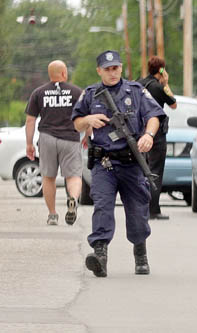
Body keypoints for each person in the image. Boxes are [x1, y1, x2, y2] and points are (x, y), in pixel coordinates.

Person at [72, 50, 166, 277]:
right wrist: (88, 120)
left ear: (121, 68)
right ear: (99, 71)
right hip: (104, 163)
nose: (112, 73)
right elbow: (76, 123)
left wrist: (148, 136)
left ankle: (140, 252)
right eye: (107, 69)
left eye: (115, 68)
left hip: (132, 163)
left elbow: (154, 116)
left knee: (137, 211)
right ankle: (100, 256)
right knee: (102, 207)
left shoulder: (135, 91)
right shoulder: (91, 94)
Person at [25, 60, 84, 226]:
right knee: (73, 176)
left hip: (47, 138)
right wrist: (87, 136)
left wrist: (29, 144)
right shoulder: (77, 92)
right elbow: (86, 117)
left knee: (48, 177)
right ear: (64, 73)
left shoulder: (38, 93)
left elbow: (30, 121)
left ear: (50, 74)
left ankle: (52, 215)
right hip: (70, 138)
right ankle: (72, 198)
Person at [137, 56, 177, 221]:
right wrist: (166, 83)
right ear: (162, 70)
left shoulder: (138, 83)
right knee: (155, 172)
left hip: (140, 134)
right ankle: (153, 209)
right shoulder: (158, 87)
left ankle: (140, 207)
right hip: (157, 135)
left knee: (141, 171)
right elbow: (173, 104)